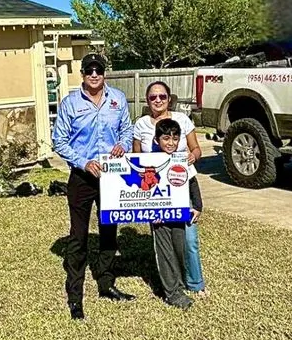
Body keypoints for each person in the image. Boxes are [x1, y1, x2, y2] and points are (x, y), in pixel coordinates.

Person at [52, 53, 135, 320]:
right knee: (78, 236)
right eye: (90, 70)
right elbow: (59, 140)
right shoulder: (70, 103)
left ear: (105, 73)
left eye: (99, 70)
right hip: (82, 176)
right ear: (83, 74)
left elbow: (127, 129)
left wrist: (123, 143)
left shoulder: (118, 99)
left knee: (109, 229)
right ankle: (75, 297)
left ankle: (107, 284)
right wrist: (83, 162)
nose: (95, 74)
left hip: (111, 176)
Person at [132, 81, 208, 297]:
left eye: (162, 97)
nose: (158, 100)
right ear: (147, 101)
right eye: (153, 97)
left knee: (189, 238)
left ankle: (195, 282)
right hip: (156, 191)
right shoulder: (141, 125)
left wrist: (192, 157)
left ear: (169, 99)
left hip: (182, 184)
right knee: (163, 240)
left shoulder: (182, 120)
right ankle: (172, 283)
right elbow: (135, 157)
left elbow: (196, 149)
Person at [146, 118, 201, 310]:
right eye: (166, 138)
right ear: (156, 140)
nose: (171, 143)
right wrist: (151, 211)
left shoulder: (181, 158)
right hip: (159, 216)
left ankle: (180, 282)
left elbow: (192, 182)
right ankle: (172, 292)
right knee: (165, 250)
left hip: (179, 212)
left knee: (180, 248)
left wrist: (198, 206)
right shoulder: (149, 161)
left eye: (175, 139)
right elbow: (143, 189)